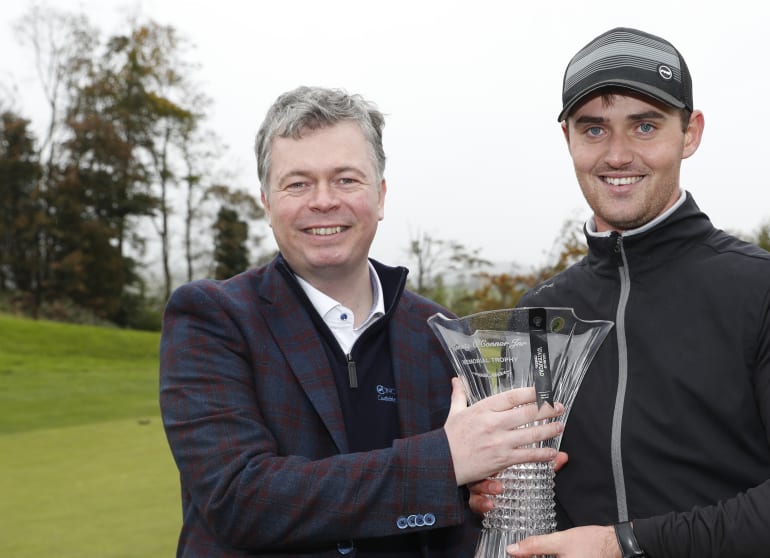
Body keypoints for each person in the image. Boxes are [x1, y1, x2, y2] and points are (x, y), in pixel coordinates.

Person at [472, 27, 770, 557]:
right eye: (593, 129)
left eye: (645, 126)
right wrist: (491, 491)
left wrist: (624, 544)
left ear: (690, 133)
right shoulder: (539, 313)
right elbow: (528, 488)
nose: (617, 155)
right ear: (567, 139)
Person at [159, 86, 566, 557]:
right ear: (267, 204)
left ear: (380, 196)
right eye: (298, 183)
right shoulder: (213, 317)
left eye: (346, 179)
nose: (323, 201)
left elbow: (459, 502)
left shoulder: (441, 332)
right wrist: (446, 462)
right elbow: (239, 500)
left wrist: (479, 496)